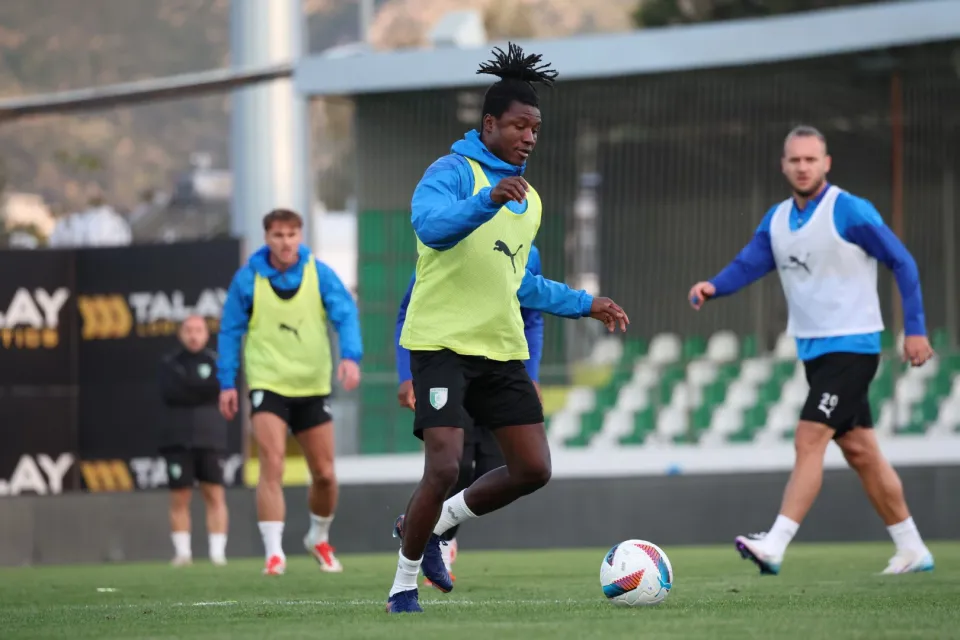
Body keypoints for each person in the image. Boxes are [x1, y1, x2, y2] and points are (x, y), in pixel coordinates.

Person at [386, 42, 629, 614]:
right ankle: (402, 586)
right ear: (489, 124)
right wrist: (486, 200)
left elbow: (520, 285)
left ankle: (435, 524)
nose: (529, 137)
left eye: (536, 129)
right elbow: (430, 227)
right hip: (440, 346)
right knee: (445, 464)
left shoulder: (530, 201)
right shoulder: (451, 172)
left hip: (499, 350)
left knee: (533, 469)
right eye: (519, 126)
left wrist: (586, 303)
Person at [688, 124, 935, 576]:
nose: (803, 167)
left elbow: (902, 261)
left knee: (809, 437)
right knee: (861, 451)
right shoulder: (778, 219)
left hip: (853, 347)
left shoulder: (849, 210)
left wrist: (915, 329)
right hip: (814, 352)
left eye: (811, 159)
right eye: (795, 160)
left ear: (826, 163)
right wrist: (714, 287)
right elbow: (750, 263)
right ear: (783, 165)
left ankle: (775, 544)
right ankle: (912, 548)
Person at [217, 208, 362, 576]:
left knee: (325, 474)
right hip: (268, 384)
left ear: (301, 237)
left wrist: (350, 356)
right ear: (267, 238)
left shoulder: (319, 274)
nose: (285, 242)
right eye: (278, 235)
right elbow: (230, 332)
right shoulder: (247, 279)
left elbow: (345, 313)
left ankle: (318, 537)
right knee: (273, 463)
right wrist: (227, 382)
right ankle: (274, 553)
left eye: (292, 234)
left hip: (312, 386)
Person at [395, 244, 545, 587]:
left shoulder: (527, 248)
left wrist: (532, 373)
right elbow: (408, 310)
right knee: (453, 466)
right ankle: (436, 546)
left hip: (500, 370)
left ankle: (434, 529)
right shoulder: (449, 240)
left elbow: (533, 315)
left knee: (500, 468)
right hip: (450, 367)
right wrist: (406, 374)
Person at [158, 315, 229, 567]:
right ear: (181, 333)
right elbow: (172, 393)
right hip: (178, 440)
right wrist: (201, 389)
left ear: (206, 334)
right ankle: (182, 553)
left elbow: (216, 390)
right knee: (180, 497)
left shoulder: (216, 362)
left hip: (210, 439)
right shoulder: (170, 363)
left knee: (215, 495)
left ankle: (217, 554)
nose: (193, 335)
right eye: (188, 330)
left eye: (198, 330)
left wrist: (193, 388)